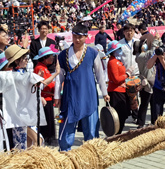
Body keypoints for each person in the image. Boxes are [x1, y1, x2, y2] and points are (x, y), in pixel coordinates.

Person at [55, 23, 109, 151]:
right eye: (74, 36)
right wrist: (57, 96)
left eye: (80, 37)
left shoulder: (92, 53)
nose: (77, 40)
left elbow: (100, 75)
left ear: (86, 37)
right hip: (70, 96)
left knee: (91, 129)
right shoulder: (63, 55)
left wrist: (105, 92)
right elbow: (59, 77)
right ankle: (65, 152)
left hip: (89, 95)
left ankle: (92, 153)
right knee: (66, 127)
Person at [33, 46, 61, 145]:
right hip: (45, 98)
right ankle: (48, 139)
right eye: (51, 56)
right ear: (45, 58)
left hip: (48, 97)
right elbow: (44, 83)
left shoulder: (43, 67)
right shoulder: (40, 68)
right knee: (47, 121)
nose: (53, 58)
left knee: (49, 120)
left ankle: (49, 139)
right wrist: (57, 73)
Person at [106, 40, 131, 134]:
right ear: (114, 50)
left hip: (122, 90)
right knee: (118, 116)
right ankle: (116, 134)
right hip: (115, 91)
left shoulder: (117, 61)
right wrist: (127, 74)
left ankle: (118, 133)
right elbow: (116, 79)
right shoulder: (112, 62)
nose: (121, 50)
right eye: (119, 49)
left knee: (123, 114)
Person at [134, 34, 156, 127]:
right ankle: (143, 122)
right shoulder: (143, 55)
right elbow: (154, 51)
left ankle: (143, 122)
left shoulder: (139, 56)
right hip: (147, 82)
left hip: (146, 81)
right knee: (146, 103)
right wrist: (156, 40)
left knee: (147, 103)